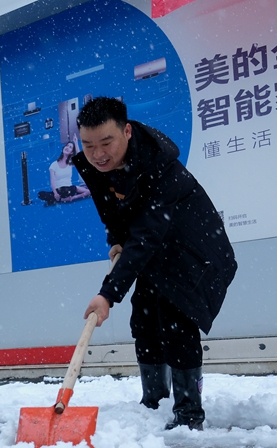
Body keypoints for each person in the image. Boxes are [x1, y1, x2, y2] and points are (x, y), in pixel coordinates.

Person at [73, 97, 237, 430]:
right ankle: (153, 403)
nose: (97, 153)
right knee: (145, 320)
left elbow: (146, 236)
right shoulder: (96, 166)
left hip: (194, 251)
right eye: (88, 145)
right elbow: (113, 214)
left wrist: (107, 295)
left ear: (127, 131)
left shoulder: (160, 168)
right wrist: (117, 239)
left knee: (176, 321)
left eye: (106, 142)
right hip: (157, 250)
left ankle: (189, 413)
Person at [40, 140, 90, 205]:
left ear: (71, 152)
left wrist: (74, 197)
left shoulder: (70, 163)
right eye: (67, 146)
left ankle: (60, 199)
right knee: (40, 194)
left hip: (69, 189)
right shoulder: (54, 164)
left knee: (87, 191)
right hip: (58, 190)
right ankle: (59, 198)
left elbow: (80, 158)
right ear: (63, 148)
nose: (67, 147)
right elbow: (52, 182)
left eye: (70, 147)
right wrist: (55, 193)